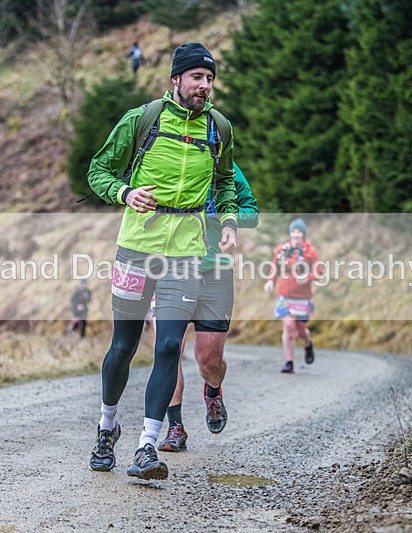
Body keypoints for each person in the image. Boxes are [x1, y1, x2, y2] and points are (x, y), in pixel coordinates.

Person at [87, 42, 238, 480]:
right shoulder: (143, 119)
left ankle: (147, 446)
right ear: (176, 79)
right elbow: (99, 170)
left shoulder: (220, 128)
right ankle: (107, 426)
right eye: (196, 77)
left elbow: (226, 181)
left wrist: (227, 222)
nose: (204, 86)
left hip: (187, 253)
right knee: (124, 347)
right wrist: (125, 193)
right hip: (137, 247)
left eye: (209, 79)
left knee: (170, 345)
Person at [158, 163, 258, 452]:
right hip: (171, 268)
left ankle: (213, 391)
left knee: (209, 360)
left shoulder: (226, 168)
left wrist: (227, 220)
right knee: (169, 349)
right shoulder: (169, 157)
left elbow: (252, 212)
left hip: (215, 271)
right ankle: (174, 426)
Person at [264, 218, 320, 374]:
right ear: (290, 233)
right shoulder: (282, 249)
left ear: (303, 234)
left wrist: (307, 277)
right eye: (293, 231)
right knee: (288, 326)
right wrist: (270, 281)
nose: (296, 234)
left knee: (301, 330)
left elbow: (319, 272)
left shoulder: (310, 251)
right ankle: (289, 362)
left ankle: (307, 344)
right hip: (283, 296)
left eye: (299, 231)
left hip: (302, 297)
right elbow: (274, 267)